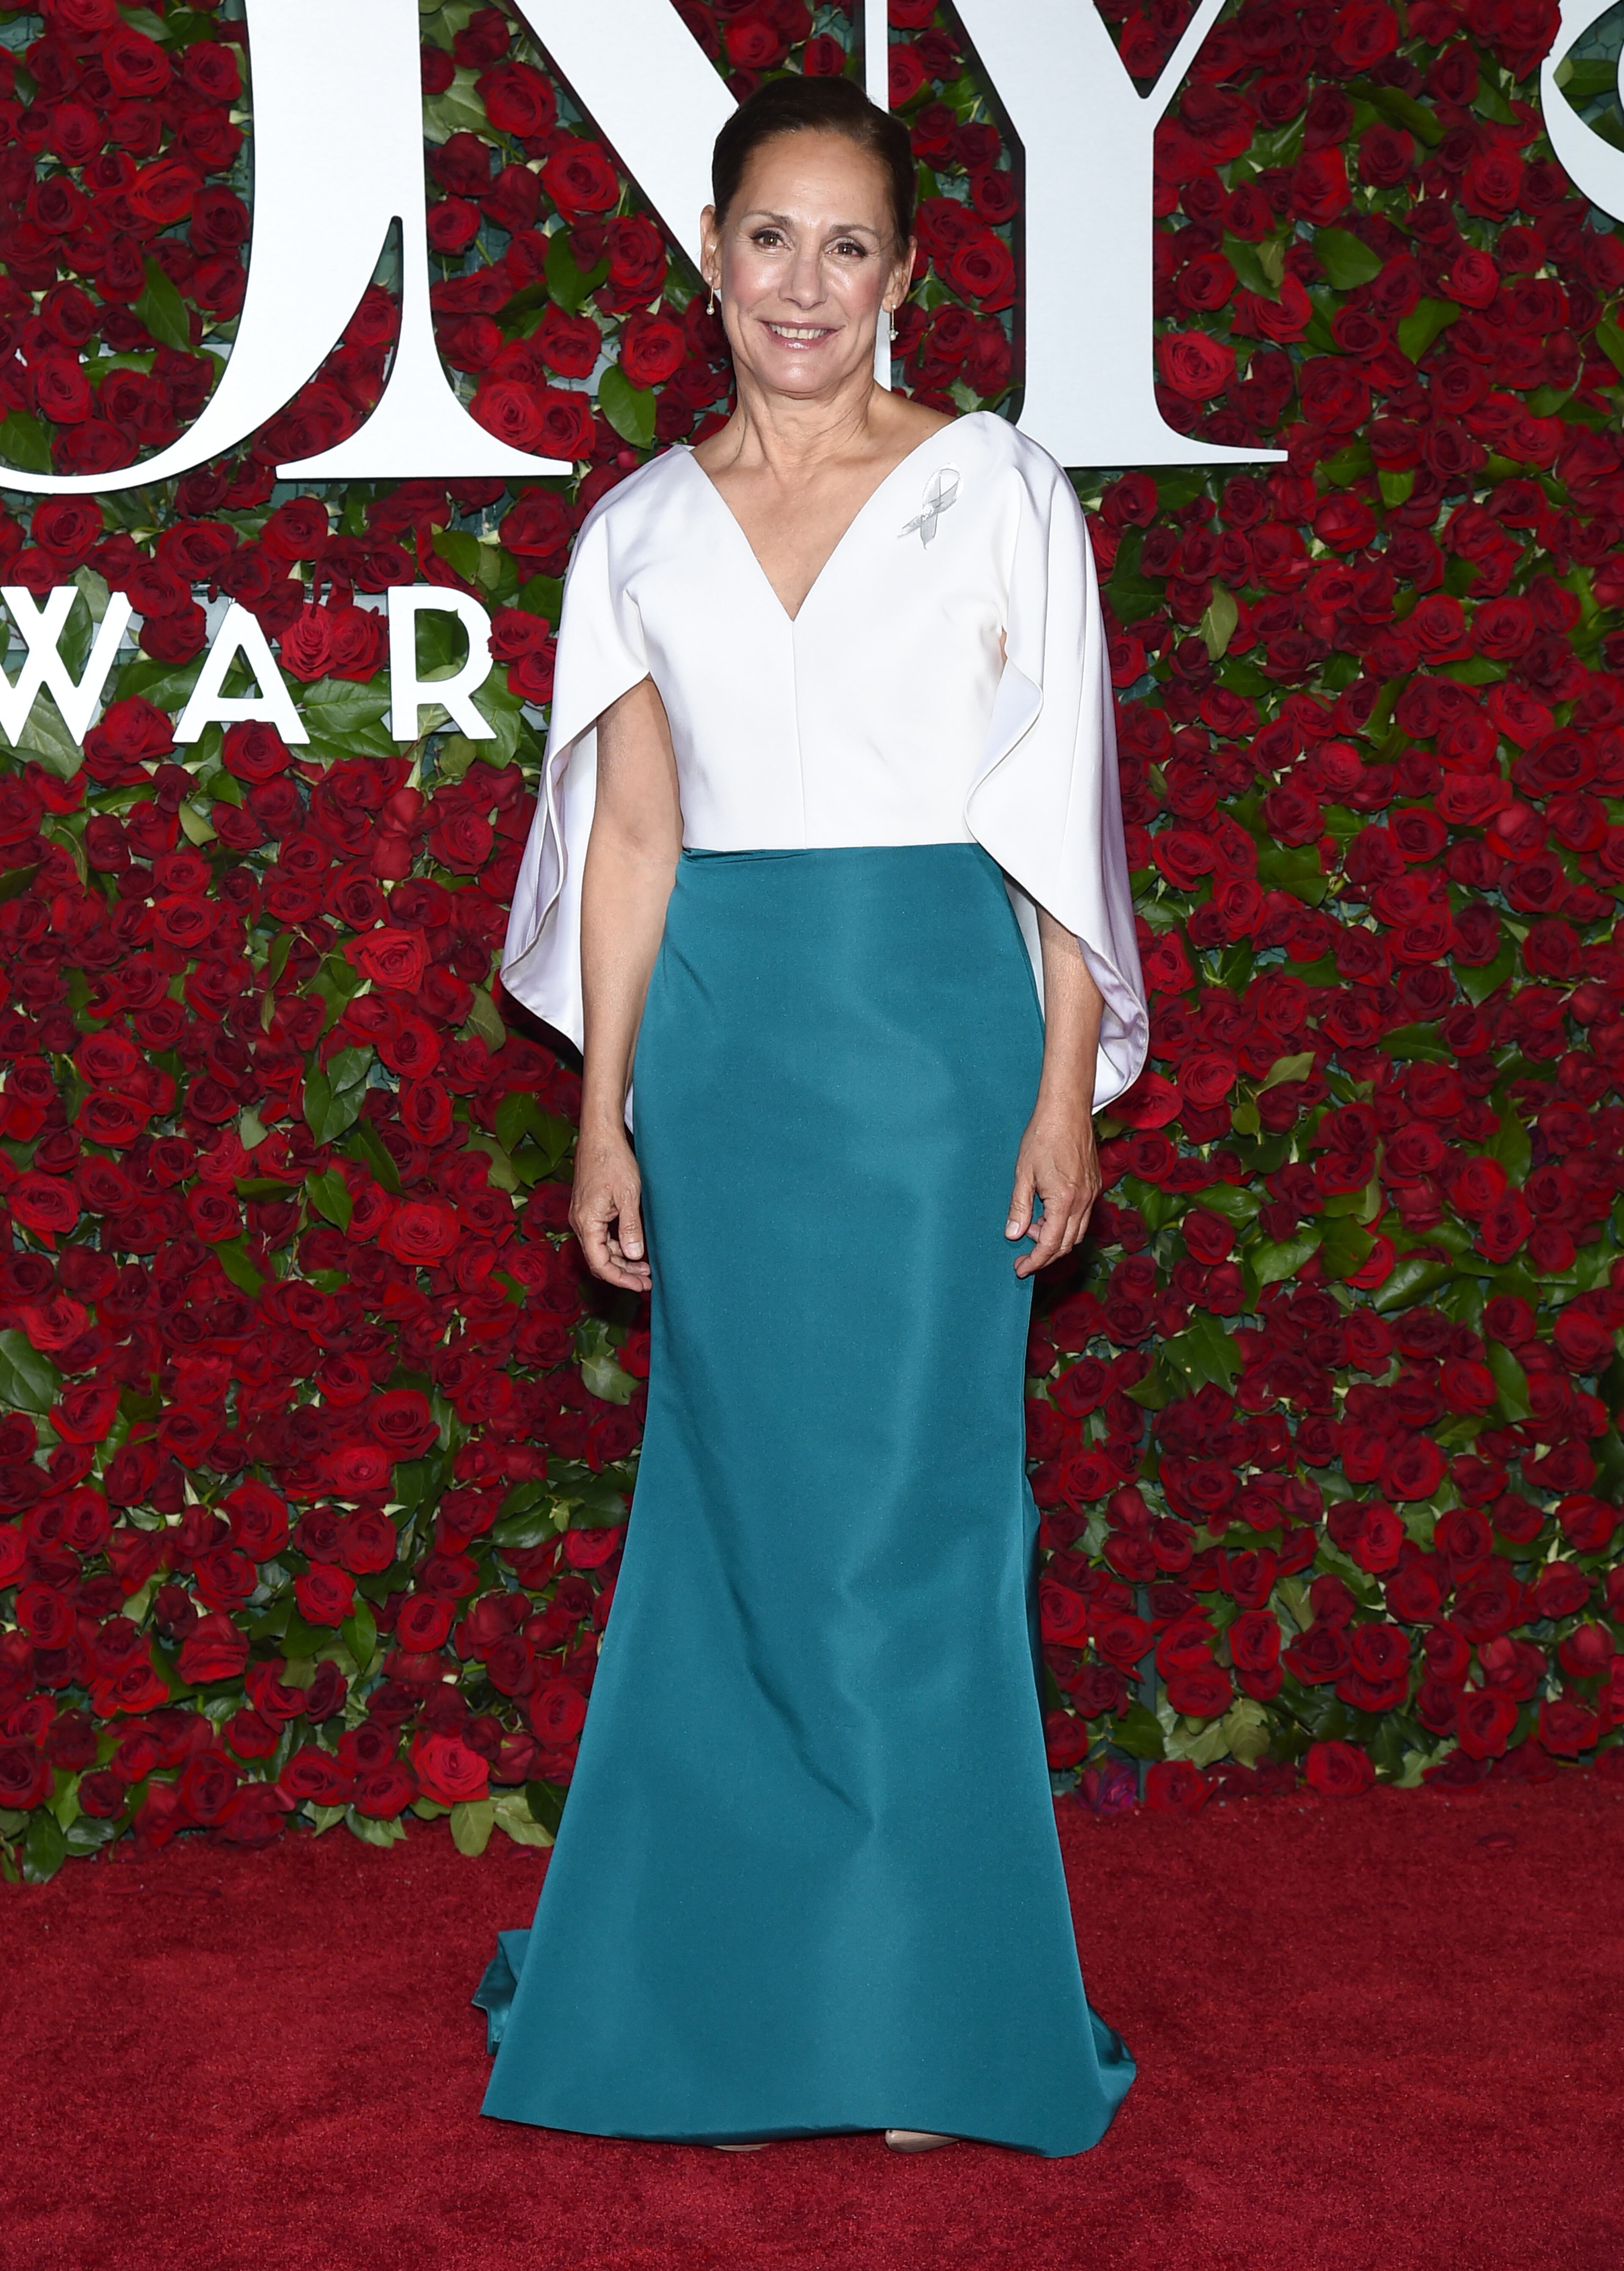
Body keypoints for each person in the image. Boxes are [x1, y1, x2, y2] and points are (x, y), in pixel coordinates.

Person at [477, 72, 1147, 2158]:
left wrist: (1064, 1090)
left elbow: (1057, 822)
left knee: (919, 1536)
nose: (807, 282)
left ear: (907, 274)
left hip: (939, 1054)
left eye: (850, 244)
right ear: (712, 250)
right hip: (727, 1056)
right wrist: (606, 1121)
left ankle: (925, 2009)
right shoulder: (639, 530)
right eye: (774, 235)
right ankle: (727, 1977)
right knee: (741, 1529)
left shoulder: (999, 485)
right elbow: (634, 842)